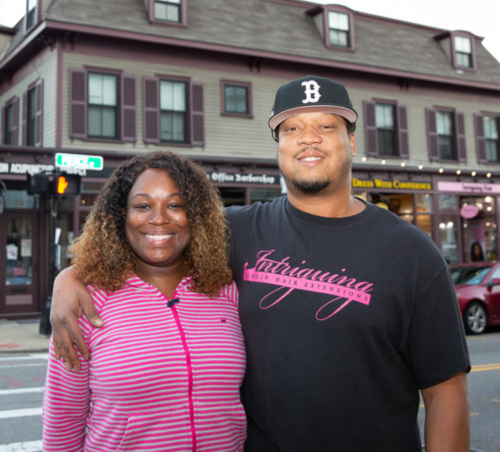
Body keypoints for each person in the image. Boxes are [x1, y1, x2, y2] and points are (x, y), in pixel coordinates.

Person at [50, 76, 470, 451]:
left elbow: (445, 394)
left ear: (352, 141)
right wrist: (70, 277)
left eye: (327, 126)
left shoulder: (412, 253)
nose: (309, 138)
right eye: (292, 129)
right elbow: (153, 238)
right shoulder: (235, 231)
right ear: (279, 146)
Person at [43, 152, 246, 451]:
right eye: (142, 205)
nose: (159, 218)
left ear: (196, 215)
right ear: (121, 215)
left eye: (175, 205)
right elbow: (63, 423)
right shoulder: (84, 302)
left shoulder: (226, 291)